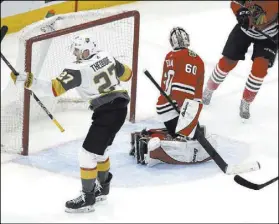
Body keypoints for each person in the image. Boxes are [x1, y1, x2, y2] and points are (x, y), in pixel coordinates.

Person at [11, 34, 132, 213]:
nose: (76, 54)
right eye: (75, 50)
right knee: (100, 152)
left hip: (107, 111)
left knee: (87, 154)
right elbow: (128, 74)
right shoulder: (107, 56)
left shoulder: (77, 69)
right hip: (120, 108)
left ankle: (88, 197)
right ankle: (102, 188)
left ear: (88, 49)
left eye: (79, 50)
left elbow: (53, 89)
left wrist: (28, 81)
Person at [130, 27, 217, 167]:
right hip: (178, 106)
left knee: (192, 133)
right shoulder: (195, 59)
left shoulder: (169, 56)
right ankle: (154, 144)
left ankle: (149, 136)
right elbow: (186, 90)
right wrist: (188, 115)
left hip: (164, 106)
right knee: (192, 137)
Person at [203, 0, 278, 119]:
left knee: (260, 69)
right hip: (244, 29)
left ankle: (246, 101)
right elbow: (234, 2)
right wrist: (241, 12)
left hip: (268, 36)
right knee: (227, 63)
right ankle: (209, 89)